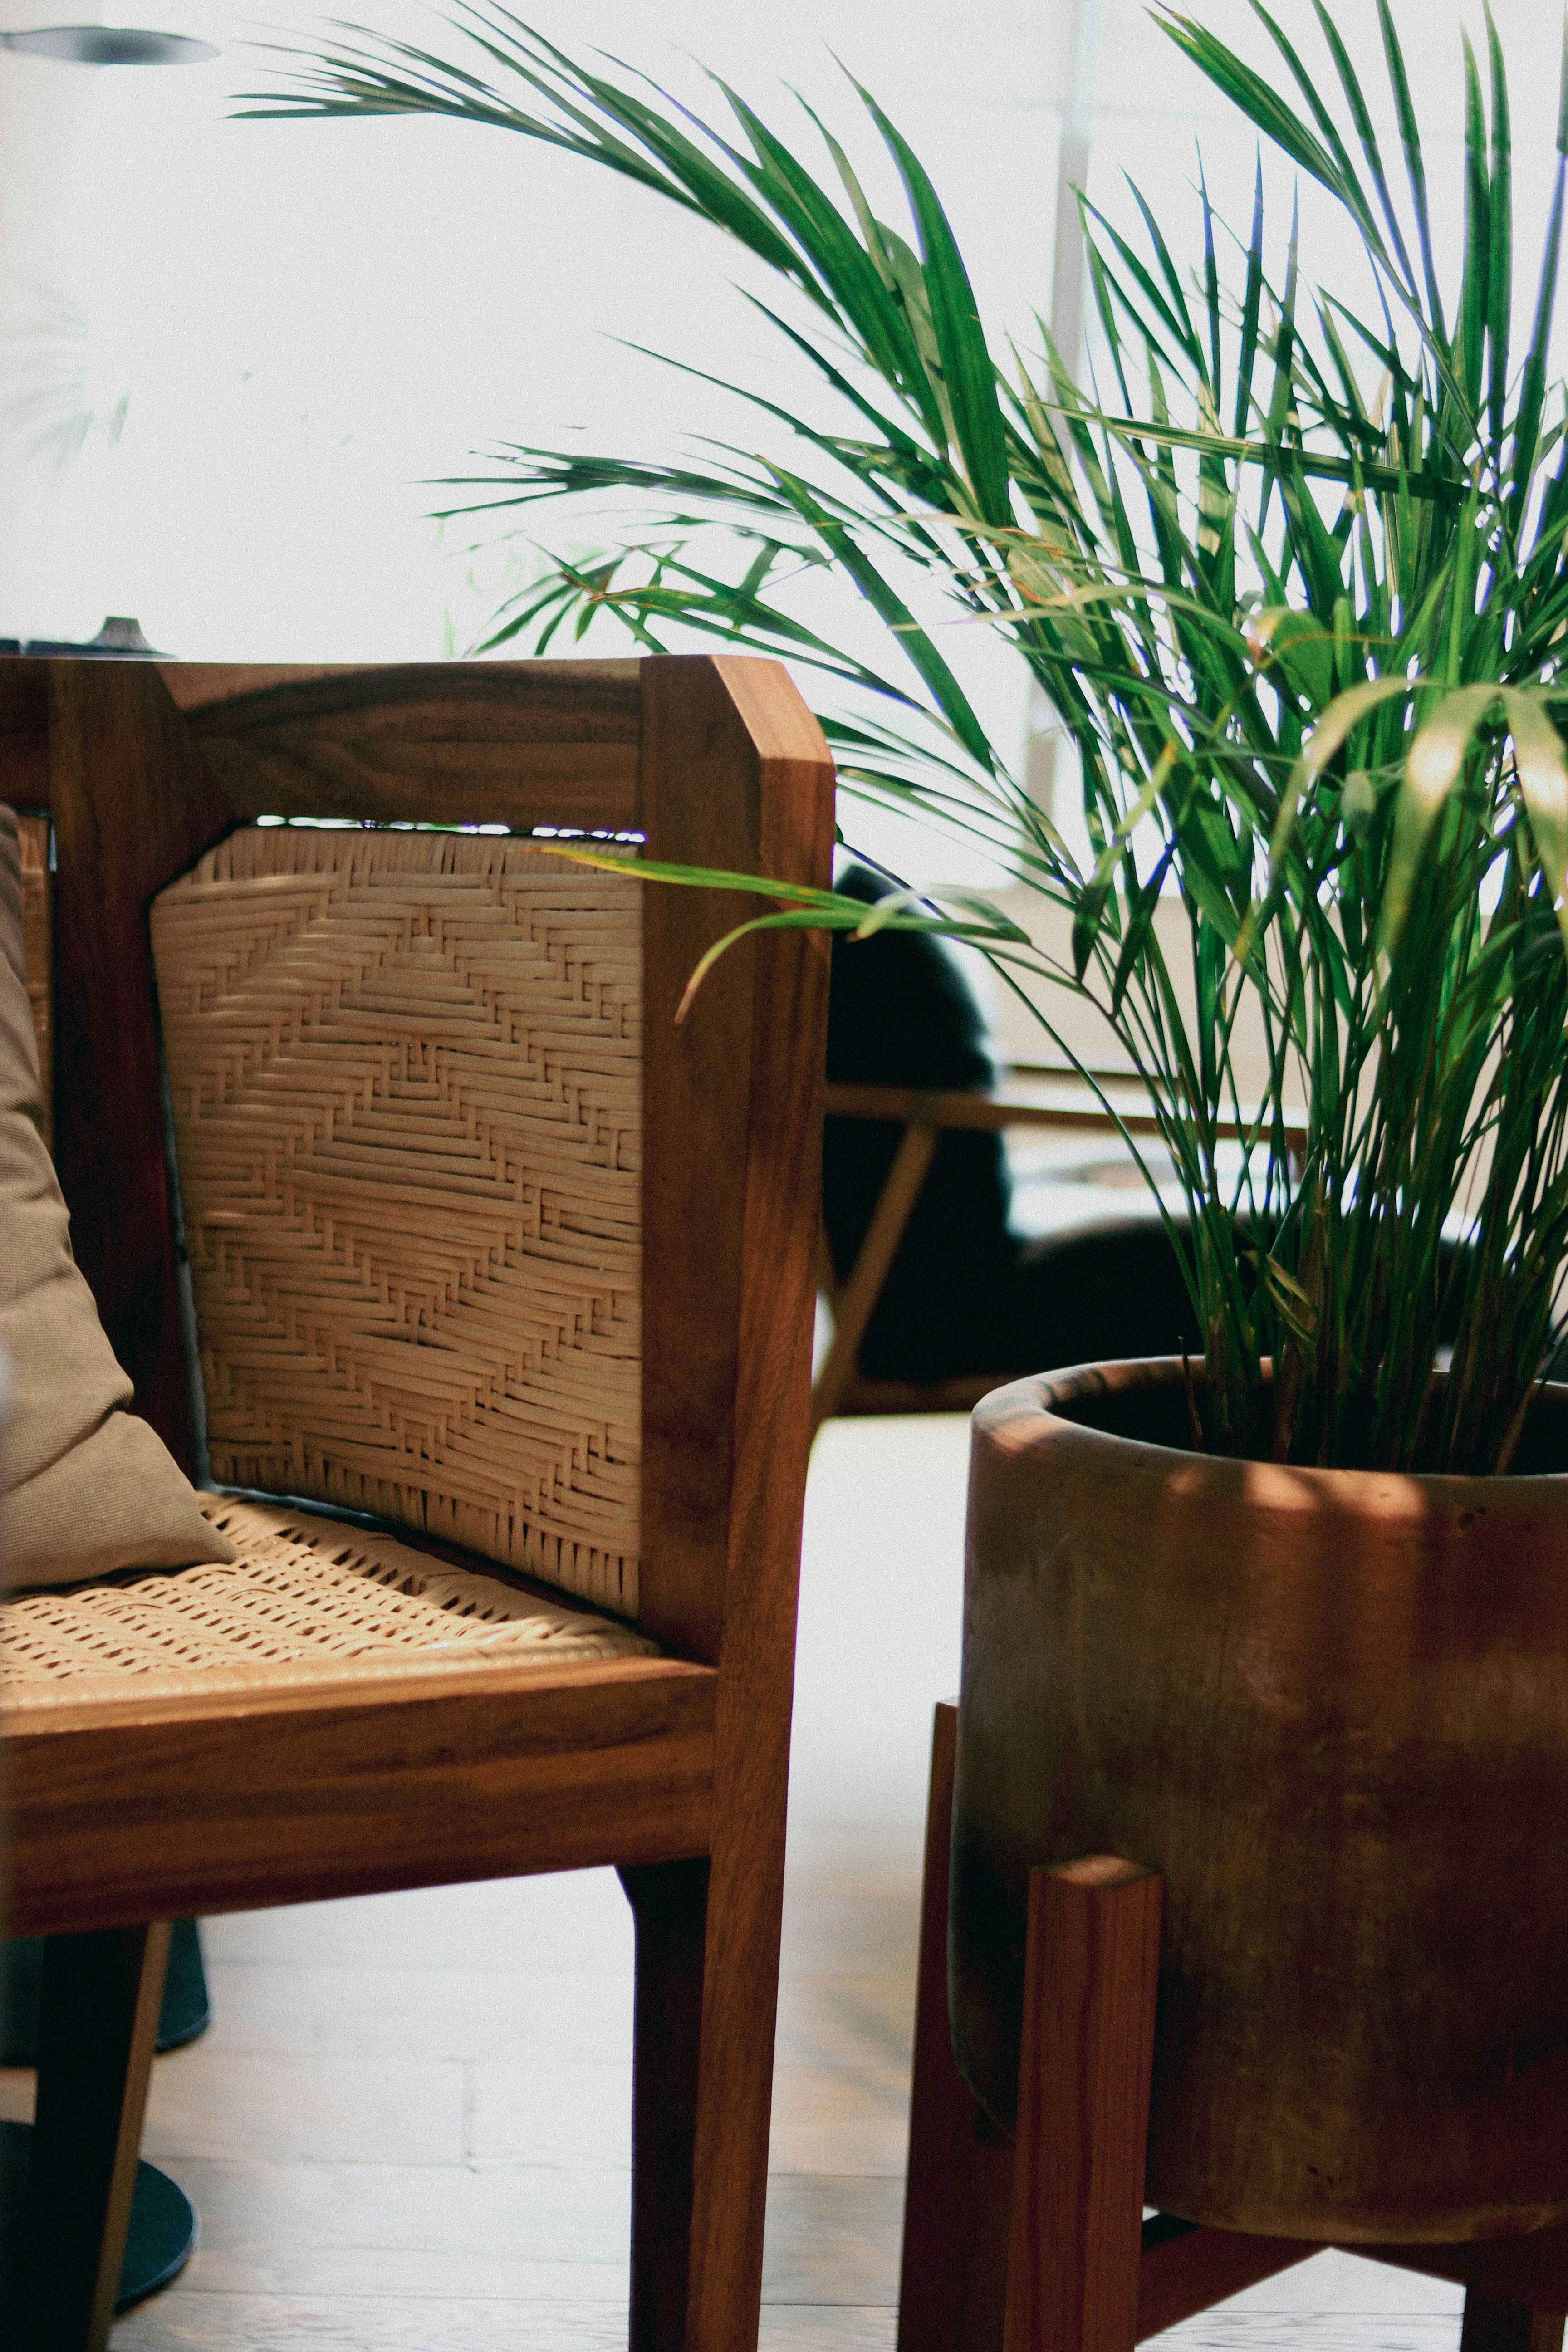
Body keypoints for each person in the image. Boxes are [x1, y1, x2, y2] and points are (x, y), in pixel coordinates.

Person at [822, 863, 1196, 1386]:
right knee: (1292, 1246)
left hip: (966, 1258)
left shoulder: (866, 922)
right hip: (945, 1302)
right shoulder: (870, 936)